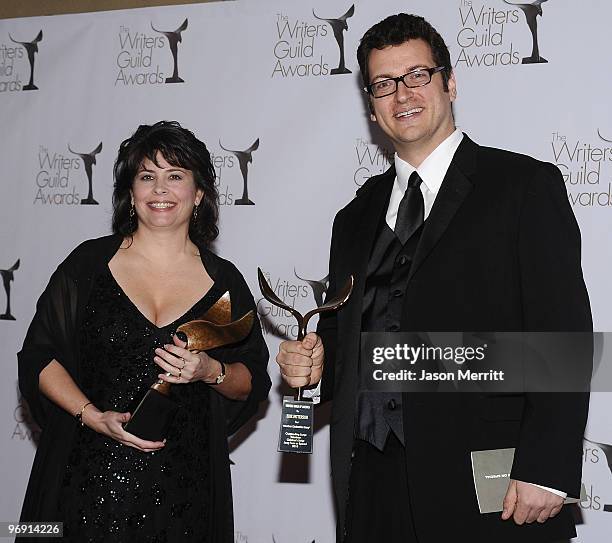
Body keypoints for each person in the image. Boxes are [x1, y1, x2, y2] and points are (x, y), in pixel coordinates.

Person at [276, 13, 591, 543]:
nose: (402, 94)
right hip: (373, 481)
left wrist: (547, 468)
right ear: (372, 108)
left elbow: (563, 336)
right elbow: (351, 346)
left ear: (450, 83)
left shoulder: (522, 185)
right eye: (384, 84)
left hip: (493, 480)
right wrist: (312, 367)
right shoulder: (353, 217)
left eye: (417, 75)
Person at [18, 120, 270, 542]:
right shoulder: (87, 265)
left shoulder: (225, 284)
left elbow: (251, 381)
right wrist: (92, 416)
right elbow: (40, 357)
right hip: (82, 479)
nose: (160, 190)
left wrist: (210, 371)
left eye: (175, 176)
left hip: (184, 492)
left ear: (199, 194)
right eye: (147, 177)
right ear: (131, 194)